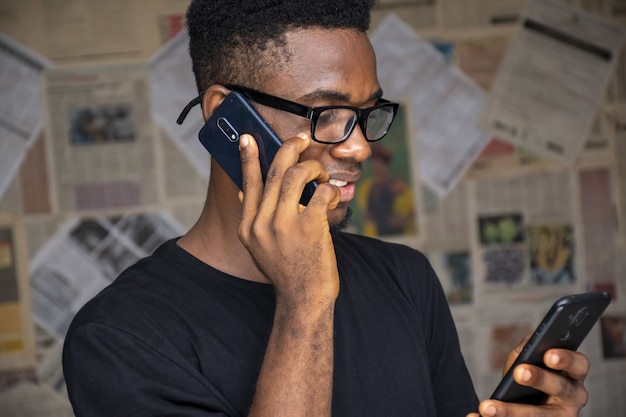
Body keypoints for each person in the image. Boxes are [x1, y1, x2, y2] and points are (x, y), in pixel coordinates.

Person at [62, 1, 592, 416]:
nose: (359, 147)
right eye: (326, 113)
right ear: (227, 118)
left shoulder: (407, 280)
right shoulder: (119, 337)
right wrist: (305, 300)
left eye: (366, 114)